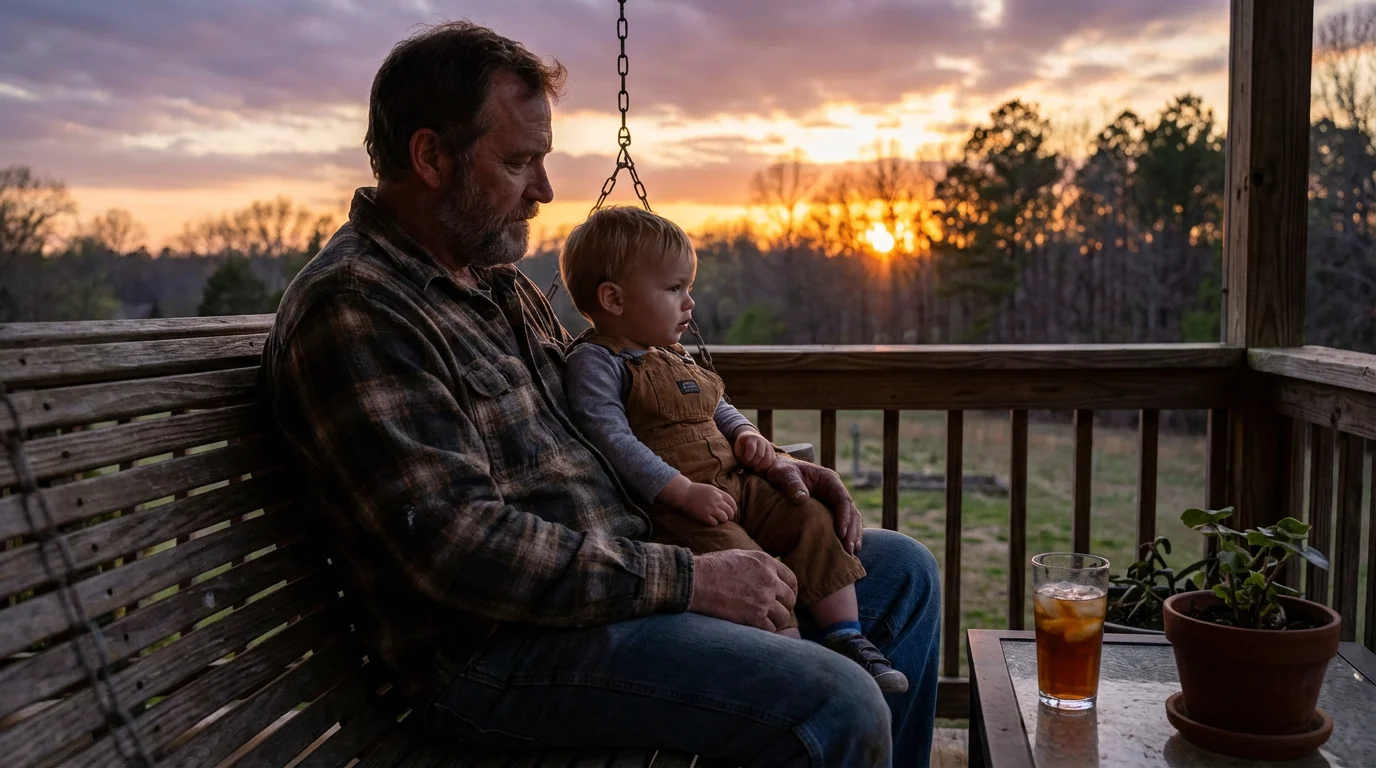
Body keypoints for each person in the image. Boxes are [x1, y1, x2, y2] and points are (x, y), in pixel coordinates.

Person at [261, 20, 941, 768]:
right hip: (502, 652)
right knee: (836, 701)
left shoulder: (495, 286)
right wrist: (691, 579)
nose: (545, 192)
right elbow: (455, 546)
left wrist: (768, 466)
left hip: (621, 577)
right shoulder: (361, 308)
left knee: (901, 573)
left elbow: (615, 418)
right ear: (429, 156)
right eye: (520, 163)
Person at [559, 206, 908, 694]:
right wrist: (680, 491)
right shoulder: (597, 363)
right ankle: (796, 669)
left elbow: (719, 408)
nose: (690, 303)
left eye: (689, 288)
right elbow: (611, 440)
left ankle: (848, 638)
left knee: (808, 518)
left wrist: (748, 435)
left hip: (738, 485)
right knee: (753, 574)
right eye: (673, 289)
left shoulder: (674, 356)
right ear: (613, 299)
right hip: (684, 514)